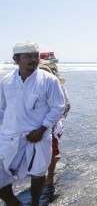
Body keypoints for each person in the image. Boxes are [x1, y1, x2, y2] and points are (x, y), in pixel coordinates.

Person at [0, 42, 65, 206]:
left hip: (37, 137)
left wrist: (41, 129)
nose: (33, 59)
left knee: (38, 174)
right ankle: (15, 203)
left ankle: (35, 203)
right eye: (27, 56)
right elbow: (2, 109)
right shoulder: (6, 81)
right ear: (16, 59)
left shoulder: (49, 80)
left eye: (35, 55)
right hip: (9, 137)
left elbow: (58, 107)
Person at [37, 63, 71, 186]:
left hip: (53, 126)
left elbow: (66, 106)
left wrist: (56, 121)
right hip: (34, 125)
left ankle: (50, 176)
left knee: (52, 152)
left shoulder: (59, 88)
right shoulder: (31, 87)